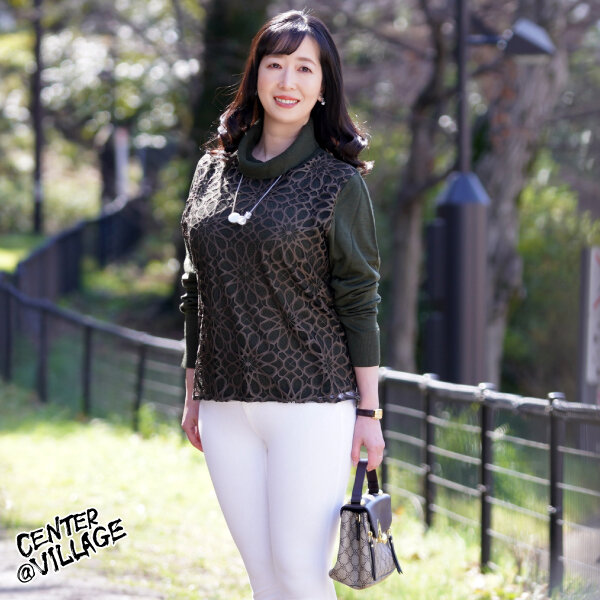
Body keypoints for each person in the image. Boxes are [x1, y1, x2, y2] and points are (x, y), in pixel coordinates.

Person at [179, 9, 384, 600]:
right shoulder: (211, 172)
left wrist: (369, 413)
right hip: (224, 404)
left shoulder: (338, 182)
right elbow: (195, 290)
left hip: (312, 402)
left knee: (298, 571)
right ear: (256, 76)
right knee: (265, 578)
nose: (287, 81)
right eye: (275, 65)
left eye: (304, 68)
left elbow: (359, 299)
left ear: (323, 87)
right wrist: (193, 393)